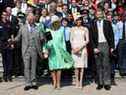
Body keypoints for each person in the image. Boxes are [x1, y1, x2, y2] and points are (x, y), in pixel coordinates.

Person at [14, 13, 44, 91]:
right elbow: (18, 37)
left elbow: (42, 38)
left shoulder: (38, 28)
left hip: (34, 50)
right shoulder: (22, 28)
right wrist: (12, 40)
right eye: (30, 19)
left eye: (32, 19)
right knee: (26, 67)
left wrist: (43, 38)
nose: (31, 20)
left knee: (33, 66)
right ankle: (27, 83)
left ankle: (34, 83)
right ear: (27, 19)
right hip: (26, 50)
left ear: (34, 20)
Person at [43, 19, 74, 89]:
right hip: (52, 51)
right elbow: (46, 43)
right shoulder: (48, 31)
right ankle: (54, 83)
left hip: (59, 52)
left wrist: (64, 52)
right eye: (54, 23)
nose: (55, 24)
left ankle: (58, 83)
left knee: (59, 68)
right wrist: (45, 50)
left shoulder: (61, 31)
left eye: (56, 22)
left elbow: (63, 42)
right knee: (52, 68)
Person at [91, 9, 114, 90]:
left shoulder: (107, 23)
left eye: (100, 14)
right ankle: (100, 83)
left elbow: (111, 35)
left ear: (103, 14)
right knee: (98, 65)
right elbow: (91, 38)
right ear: (96, 15)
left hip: (105, 44)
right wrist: (94, 47)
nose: (99, 15)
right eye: (98, 14)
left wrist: (111, 47)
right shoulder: (93, 24)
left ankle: (107, 83)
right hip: (97, 45)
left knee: (106, 65)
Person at [70, 17, 89, 89]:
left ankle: (81, 81)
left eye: (80, 20)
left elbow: (87, 40)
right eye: (77, 20)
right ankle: (77, 82)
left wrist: (80, 48)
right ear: (75, 21)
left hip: (83, 48)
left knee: (81, 66)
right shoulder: (72, 29)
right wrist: (74, 48)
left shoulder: (85, 29)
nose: (79, 21)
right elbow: (71, 39)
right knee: (76, 67)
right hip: (74, 48)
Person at [0, 11, 14, 82]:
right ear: (2, 16)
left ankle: (9, 75)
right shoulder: (0, 23)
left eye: (6, 15)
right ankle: (5, 75)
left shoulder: (9, 23)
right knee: (4, 60)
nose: (5, 16)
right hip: (2, 44)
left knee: (9, 60)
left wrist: (12, 42)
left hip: (9, 44)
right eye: (4, 15)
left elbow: (12, 33)